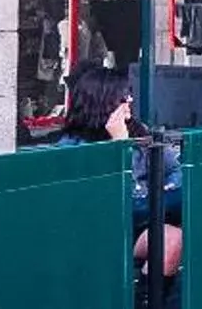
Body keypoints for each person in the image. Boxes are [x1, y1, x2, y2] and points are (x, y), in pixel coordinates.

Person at [55, 64, 179, 281]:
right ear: (103, 101)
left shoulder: (139, 132)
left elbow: (175, 170)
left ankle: (152, 307)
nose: (130, 100)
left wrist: (164, 188)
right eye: (123, 96)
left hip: (142, 220)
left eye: (129, 93)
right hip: (101, 232)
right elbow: (113, 202)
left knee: (171, 240)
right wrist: (119, 146)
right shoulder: (74, 148)